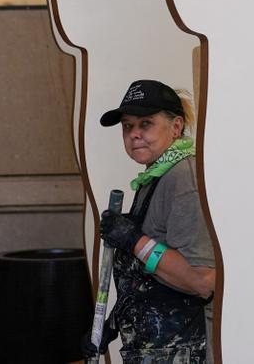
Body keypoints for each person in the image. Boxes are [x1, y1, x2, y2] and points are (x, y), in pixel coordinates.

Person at [85, 79, 215, 364]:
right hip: (154, 350)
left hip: (180, 351)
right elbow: (147, 278)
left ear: (176, 126)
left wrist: (134, 241)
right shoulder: (154, 176)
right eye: (128, 126)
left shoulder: (183, 177)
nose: (134, 134)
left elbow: (202, 280)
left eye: (146, 124)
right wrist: (114, 323)